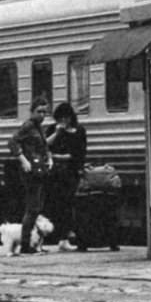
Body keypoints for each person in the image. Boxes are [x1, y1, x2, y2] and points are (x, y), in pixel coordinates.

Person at [44, 102, 88, 251]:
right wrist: (57, 133)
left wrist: (60, 157)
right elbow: (44, 146)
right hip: (55, 174)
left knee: (70, 204)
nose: (63, 121)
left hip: (72, 173)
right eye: (59, 118)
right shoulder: (53, 129)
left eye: (65, 117)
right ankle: (62, 238)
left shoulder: (80, 131)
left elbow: (80, 153)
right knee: (58, 206)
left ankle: (69, 236)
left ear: (71, 117)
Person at [9, 110, 51, 254]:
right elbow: (12, 142)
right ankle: (25, 245)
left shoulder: (39, 128)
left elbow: (44, 146)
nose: (42, 115)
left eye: (44, 112)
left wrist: (49, 158)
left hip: (39, 170)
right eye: (39, 111)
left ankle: (34, 244)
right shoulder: (28, 126)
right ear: (32, 111)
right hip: (31, 171)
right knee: (32, 208)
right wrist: (23, 160)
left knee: (37, 208)